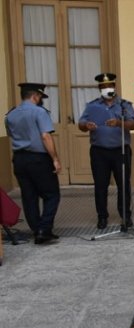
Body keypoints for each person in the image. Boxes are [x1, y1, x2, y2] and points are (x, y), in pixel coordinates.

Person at [78, 73, 134, 229]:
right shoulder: (92, 106)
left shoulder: (124, 105)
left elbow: (133, 124)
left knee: (124, 184)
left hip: (121, 150)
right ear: (99, 88)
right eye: (104, 86)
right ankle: (102, 216)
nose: (107, 88)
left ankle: (125, 215)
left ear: (114, 87)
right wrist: (86, 126)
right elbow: (81, 124)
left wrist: (119, 123)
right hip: (99, 152)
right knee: (100, 185)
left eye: (110, 85)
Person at [4, 83, 61, 244]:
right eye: (41, 97)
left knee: (29, 196)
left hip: (19, 159)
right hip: (38, 159)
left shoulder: (11, 114)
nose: (41, 100)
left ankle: (37, 230)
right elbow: (45, 136)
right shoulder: (39, 112)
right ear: (35, 96)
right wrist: (55, 159)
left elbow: (11, 135)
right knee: (52, 195)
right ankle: (44, 229)